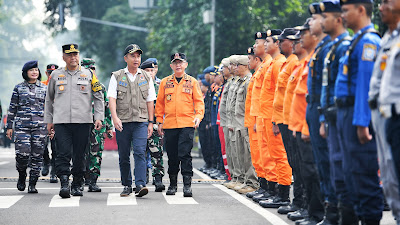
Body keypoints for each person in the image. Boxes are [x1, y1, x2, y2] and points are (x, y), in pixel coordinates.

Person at [334, 0, 383, 223]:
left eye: (346, 10)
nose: (342, 15)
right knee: (351, 174)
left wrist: (363, 122)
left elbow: (365, 85)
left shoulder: (368, 42)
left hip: (357, 114)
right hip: (347, 114)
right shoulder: (356, 41)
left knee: (363, 175)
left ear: (361, 10)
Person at [44, 44, 104, 198]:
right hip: (62, 122)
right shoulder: (56, 75)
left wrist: (98, 117)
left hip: (83, 122)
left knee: (79, 155)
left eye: (75, 54)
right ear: (63, 57)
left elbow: (98, 96)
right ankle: (64, 182)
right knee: (62, 153)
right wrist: (49, 120)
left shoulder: (89, 74)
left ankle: (77, 183)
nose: (73, 57)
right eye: (69, 55)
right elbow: (49, 99)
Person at [319, 0, 355, 224]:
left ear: (338, 19)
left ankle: (344, 216)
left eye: (325, 17)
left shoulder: (344, 46)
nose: (321, 21)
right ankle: (334, 214)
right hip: (331, 114)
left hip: (343, 114)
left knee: (344, 168)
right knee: (334, 167)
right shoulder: (333, 47)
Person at [288, 20, 325, 224]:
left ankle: (316, 213)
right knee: (305, 171)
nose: (300, 38)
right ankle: (310, 211)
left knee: (312, 172)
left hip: (308, 127)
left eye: (304, 33)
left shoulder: (313, 60)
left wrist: (302, 127)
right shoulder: (304, 63)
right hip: (299, 127)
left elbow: (313, 98)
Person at [108, 44, 156, 197]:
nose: (136, 59)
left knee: (140, 152)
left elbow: (150, 101)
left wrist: (150, 122)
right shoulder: (116, 76)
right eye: (133, 56)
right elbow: (112, 98)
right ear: (125, 58)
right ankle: (127, 185)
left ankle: (140, 184)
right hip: (123, 121)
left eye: (138, 56)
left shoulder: (146, 77)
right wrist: (114, 118)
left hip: (141, 122)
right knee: (123, 155)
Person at [155, 52, 204, 197]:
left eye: (180, 62)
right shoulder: (165, 82)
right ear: (171, 65)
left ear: (185, 65)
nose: (178, 65)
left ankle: (187, 186)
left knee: (185, 155)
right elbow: (160, 104)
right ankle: (173, 184)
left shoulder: (192, 82)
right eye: (175, 63)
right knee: (172, 156)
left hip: (187, 124)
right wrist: (159, 121)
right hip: (169, 125)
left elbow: (199, 102)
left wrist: (198, 116)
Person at [372, 0, 400, 223]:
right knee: (390, 181)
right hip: (385, 118)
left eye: (387, 2)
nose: (382, 7)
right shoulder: (388, 39)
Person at [258, 29, 292, 209]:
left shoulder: (279, 64)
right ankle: (273, 191)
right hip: (266, 116)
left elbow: (282, 94)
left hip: (274, 117)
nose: (265, 44)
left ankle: (284, 195)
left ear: (277, 44)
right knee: (270, 155)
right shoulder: (272, 63)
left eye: (269, 41)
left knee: (279, 155)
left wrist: (276, 119)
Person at [6, 60, 47, 194]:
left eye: (36, 70)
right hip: (22, 127)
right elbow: (12, 108)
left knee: (37, 156)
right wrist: (9, 126)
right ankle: (22, 175)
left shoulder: (44, 88)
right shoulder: (18, 88)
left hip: (40, 127)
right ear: (26, 73)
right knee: (22, 154)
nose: (35, 72)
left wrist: (51, 126)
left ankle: (33, 184)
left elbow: (50, 109)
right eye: (31, 70)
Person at [80, 58, 113, 193]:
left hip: (98, 127)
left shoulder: (100, 87)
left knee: (96, 153)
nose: (90, 71)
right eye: (87, 69)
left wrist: (109, 126)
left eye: (92, 69)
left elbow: (107, 108)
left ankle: (93, 181)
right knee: (81, 152)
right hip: (81, 124)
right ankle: (81, 179)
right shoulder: (78, 86)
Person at [140, 60, 165, 192]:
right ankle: (142, 179)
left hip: (156, 123)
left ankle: (158, 178)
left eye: (153, 70)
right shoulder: (138, 83)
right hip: (141, 123)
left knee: (157, 152)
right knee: (140, 152)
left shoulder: (161, 85)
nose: (150, 73)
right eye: (148, 70)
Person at [42, 63, 59, 183]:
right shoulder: (42, 85)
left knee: (55, 147)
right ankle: (45, 161)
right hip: (43, 119)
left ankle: (54, 171)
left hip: (57, 118)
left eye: (54, 72)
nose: (51, 75)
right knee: (42, 144)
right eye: (49, 73)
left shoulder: (61, 84)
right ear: (46, 73)